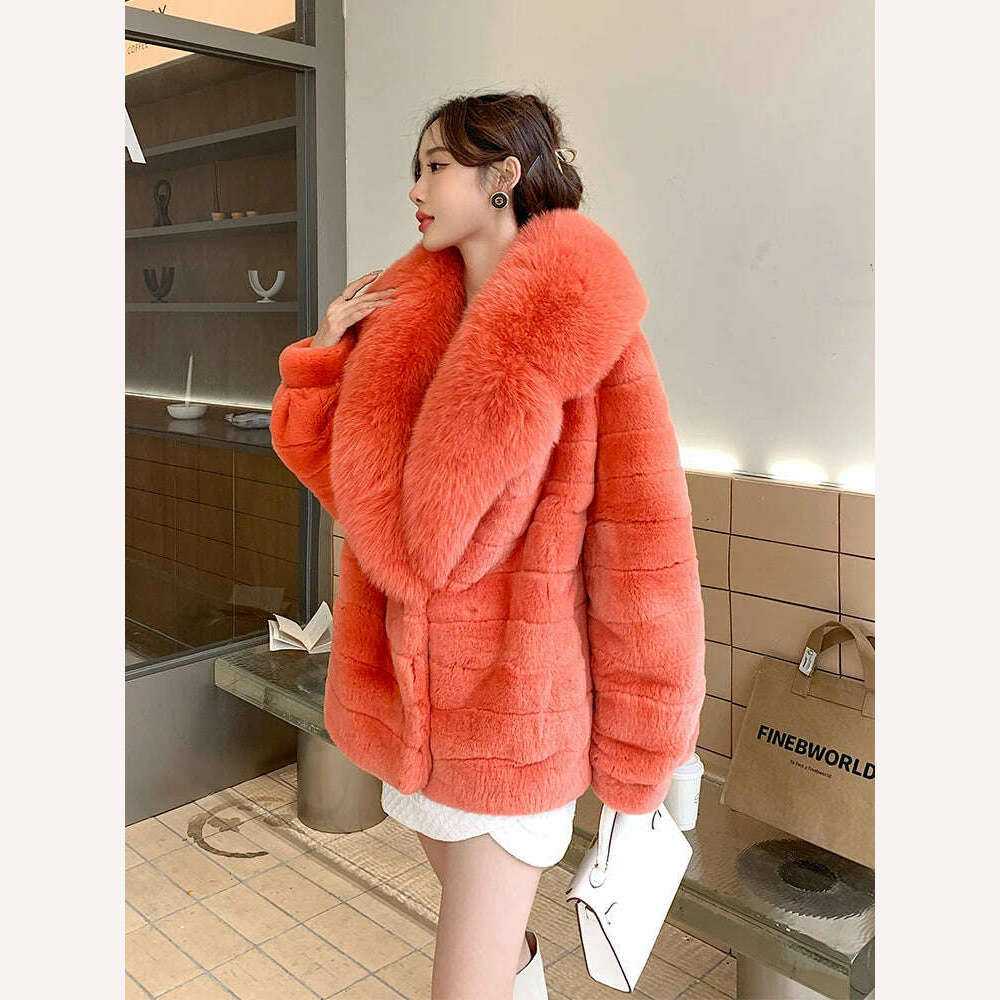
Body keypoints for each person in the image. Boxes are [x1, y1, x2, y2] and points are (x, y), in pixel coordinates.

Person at [271, 91, 706, 1000]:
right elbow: (357, 495)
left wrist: (644, 754)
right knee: (498, 957)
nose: (416, 188)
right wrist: (324, 357)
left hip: (515, 726)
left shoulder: (597, 341)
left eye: (437, 166)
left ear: (503, 177)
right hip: (414, 715)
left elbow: (646, 562)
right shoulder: (401, 326)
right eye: (417, 169)